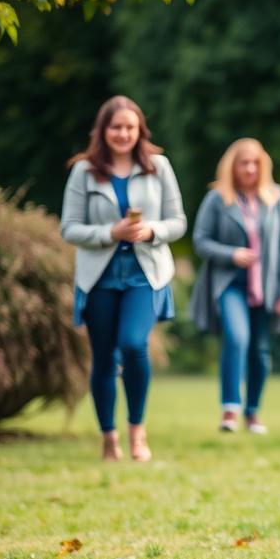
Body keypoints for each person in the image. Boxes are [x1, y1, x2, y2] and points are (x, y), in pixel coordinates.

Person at [59, 96, 187, 462]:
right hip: (99, 277)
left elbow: (178, 222)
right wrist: (110, 232)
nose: (123, 134)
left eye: (130, 127)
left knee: (133, 344)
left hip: (144, 274)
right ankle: (108, 437)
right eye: (116, 127)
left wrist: (150, 230)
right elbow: (69, 228)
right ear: (103, 131)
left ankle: (137, 431)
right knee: (102, 358)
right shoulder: (83, 172)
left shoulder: (158, 167)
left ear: (140, 130)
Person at [189, 138, 280, 434]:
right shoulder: (217, 199)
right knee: (237, 338)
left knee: (261, 352)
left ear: (263, 166)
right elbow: (200, 241)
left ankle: (253, 412)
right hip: (228, 284)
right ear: (232, 166)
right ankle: (229, 410)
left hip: (267, 285)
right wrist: (231, 254)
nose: (249, 168)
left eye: (255, 163)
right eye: (243, 163)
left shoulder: (275, 197)